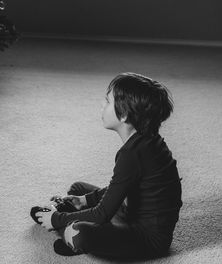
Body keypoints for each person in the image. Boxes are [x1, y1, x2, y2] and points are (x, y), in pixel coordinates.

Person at [32, 72, 183, 259]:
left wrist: (56, 220)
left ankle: (65, 226)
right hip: (130, 211)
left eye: (107, 101)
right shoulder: (146, 141)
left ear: (125, 115)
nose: (102, 105)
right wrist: (85, 200)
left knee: (78, 233)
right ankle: (71, 212)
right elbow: (124, 188)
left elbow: (102, 213)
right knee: (78, 189)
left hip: (146, 239)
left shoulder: (133, 154)